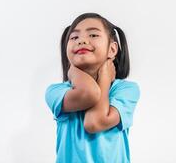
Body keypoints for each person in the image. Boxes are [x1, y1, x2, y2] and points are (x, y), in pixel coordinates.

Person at [45, 12, 140, 163]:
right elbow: (88, 93)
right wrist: (73, 71)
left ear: (112, 50)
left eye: (93, 35)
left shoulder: (126, 90)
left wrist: (104, 77)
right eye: (74, 37)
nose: (81, 41)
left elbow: (94, 122)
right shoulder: (56, 92)